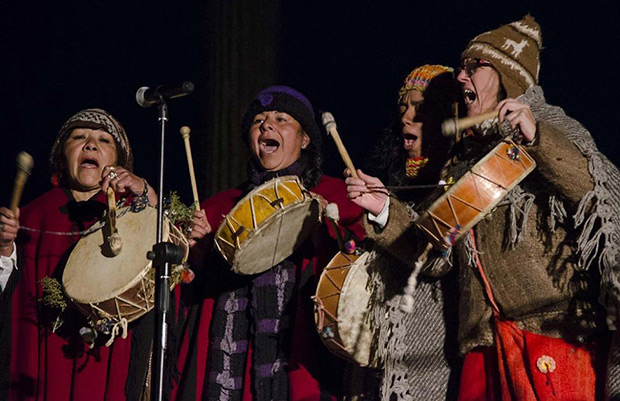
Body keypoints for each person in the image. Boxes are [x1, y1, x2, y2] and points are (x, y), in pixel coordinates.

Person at [347, 15, 620, 400]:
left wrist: (538, 138)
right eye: (462, 68)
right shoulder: (464, 163)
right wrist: (384, 210)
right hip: (482, 347)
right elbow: (436, 255)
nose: (461, 77)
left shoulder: (551, 129)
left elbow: (593, 189)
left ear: (508, 76)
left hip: (552, 334)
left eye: (474, 67)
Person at [171, 86, 365, 401]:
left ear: (304, 140)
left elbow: (359, 271)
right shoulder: (221, 207)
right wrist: (199, 255)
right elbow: (191, 292)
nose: (266, 125)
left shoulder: (338, 195)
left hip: (302, 359)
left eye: (281, 119)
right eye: (258, 120)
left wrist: (323, 231)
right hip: (233, 356)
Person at [0, 108, 159, 401]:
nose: (90, 144)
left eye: (104, 140)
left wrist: (146, 194)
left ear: (118, 163)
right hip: (44, 366)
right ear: (62, 157)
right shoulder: (33, 218)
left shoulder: (134, 214)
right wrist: (5, 249)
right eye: (79, 137)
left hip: (111, 359)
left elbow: (165, 271)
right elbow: (10, 300)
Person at [343, 65, 462, 400]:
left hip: (431, 356)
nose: (407, 117)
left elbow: (438, 257)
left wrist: (384, 210)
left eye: (420, 109)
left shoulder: (458, 185)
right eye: (403, 108)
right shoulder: (390, 179)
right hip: (377, 353)